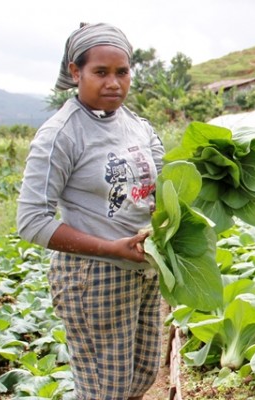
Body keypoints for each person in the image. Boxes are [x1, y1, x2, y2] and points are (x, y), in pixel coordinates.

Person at [16, 22, 164, 400]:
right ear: (74, 72)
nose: (114, 83)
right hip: (94, 276)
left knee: (142, 376)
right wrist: (110, 247)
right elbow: (32, 221)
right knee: (104, 389)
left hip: (145, 272)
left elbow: (162, 189)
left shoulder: (138, 127)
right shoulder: (61, 134)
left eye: (122, 72)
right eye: (101, 72)